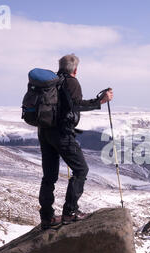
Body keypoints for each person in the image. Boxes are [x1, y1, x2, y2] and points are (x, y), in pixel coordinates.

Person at [38, 54, 113, 230]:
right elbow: (77, 105)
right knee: (81, 170)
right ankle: (70, 212)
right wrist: (101, 101)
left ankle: (47, 217)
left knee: (49, 176)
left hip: (44, 132)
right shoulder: (71, 83)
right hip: (62, 134)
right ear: (75, 69)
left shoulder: (52, 82)